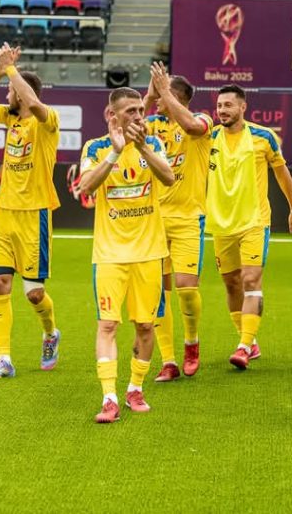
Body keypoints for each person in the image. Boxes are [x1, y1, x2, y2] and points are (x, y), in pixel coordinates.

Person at [78, 87, 176, 424]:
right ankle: (109, 398)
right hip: (110, 254)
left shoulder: (154, 144)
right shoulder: (96, 148)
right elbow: (85, 187)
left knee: (146, 326)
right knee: (107, 324)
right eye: (130, 111)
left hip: (149, 253)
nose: (138, 116)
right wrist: (115, 153)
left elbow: (169, 178)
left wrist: (143, 147)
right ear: (112, 115)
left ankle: (135, 388)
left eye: (140, 110)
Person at [0, 44, 61, 379]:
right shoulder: (9, 118)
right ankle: (4, 359)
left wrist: (12, 69)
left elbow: (34, 105)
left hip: (34, 214)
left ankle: (50, 333)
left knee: (34, 294)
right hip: (3, 213)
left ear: (22, 92)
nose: (7, 94)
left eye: (10, 89)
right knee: (0, 283)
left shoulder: (47, 121)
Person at [207, 84, 292, 369]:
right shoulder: (209, 137)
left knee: (250, 280)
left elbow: (282, 173)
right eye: (219, 105)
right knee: (231, 283)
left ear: (243, 107)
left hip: (255, 222)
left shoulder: (264, 137)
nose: (222, 110)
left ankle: (244, 346)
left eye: (228, 105)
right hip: (221, 223)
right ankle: (248, 339)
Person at [142, 64, 213, 381]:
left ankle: (191, 342)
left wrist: (164, 93)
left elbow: (193, 127)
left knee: (186, 288)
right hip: (154, 221)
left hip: (187, 219)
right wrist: (149, 94)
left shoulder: (203, 121)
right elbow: (131, 124)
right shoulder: (153, 124)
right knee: (159, 292)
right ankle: (168, 360)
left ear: (176, 96)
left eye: (161, 93)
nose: (156, 99)